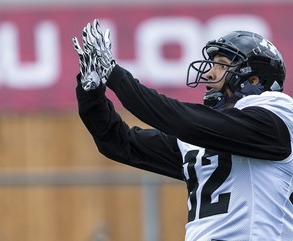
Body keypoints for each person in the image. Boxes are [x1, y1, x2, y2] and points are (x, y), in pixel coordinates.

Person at [72, 19, 293, 241]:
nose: (209, 74)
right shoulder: (211, 136)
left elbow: (183, 121)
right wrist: (91, 92)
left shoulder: (274, 122)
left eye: (221, 65)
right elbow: (120, 144)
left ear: (253, 79)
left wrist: (114, 73)